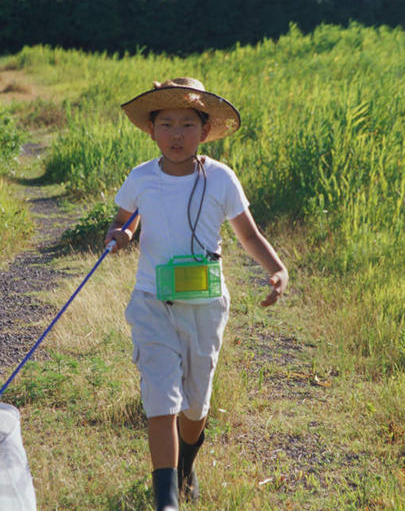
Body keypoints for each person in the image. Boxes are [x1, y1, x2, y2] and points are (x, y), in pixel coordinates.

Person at [105, 77, 288, 511]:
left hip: (205, 306)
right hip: (152, 301)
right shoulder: (141, 177)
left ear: (205, 131)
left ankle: (187, 462)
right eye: (166, 123)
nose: (175, 133)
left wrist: (277, 269)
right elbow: (125, 219)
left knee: (194, 407)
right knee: (160, 396)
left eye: (187, 124)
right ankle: (165, 499)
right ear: (151, 130)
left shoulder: (220, 178)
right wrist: (121, 234)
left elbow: (248, 234)